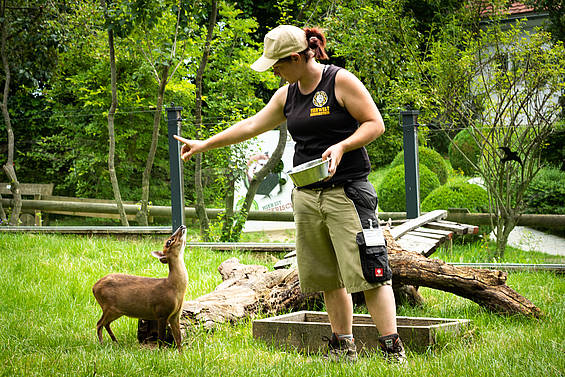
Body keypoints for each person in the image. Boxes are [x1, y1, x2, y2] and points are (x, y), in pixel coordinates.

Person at [174, 25, 406, 363]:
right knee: (328, 277)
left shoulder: (339, 81)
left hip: (348, 193)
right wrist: (205, 143)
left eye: (278, 66)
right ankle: (344, 348)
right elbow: (252, 124)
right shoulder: (288, 94)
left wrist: (342, 145)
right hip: (308, 195)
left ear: (296, 58)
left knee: (370, 275)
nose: (276, 73)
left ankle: (391, 350)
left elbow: (375, 123)